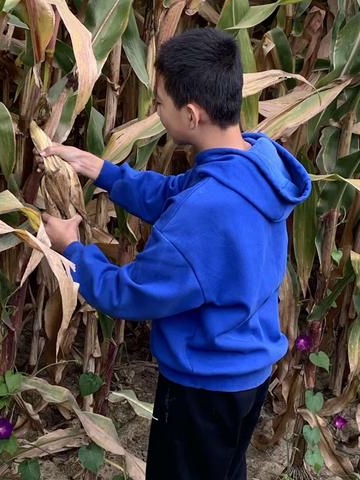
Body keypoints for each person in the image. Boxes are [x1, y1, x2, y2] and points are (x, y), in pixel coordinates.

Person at [35, 28, 311, 480]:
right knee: (223, 468)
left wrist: (72, 249)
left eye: (159, 103)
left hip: (202, 388)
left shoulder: (204, 215)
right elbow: (172, 194)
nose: (155, 111)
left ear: (190, 114)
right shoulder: (255, 163)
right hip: (247, 371)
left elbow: (126, 294)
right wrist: (102, 171)